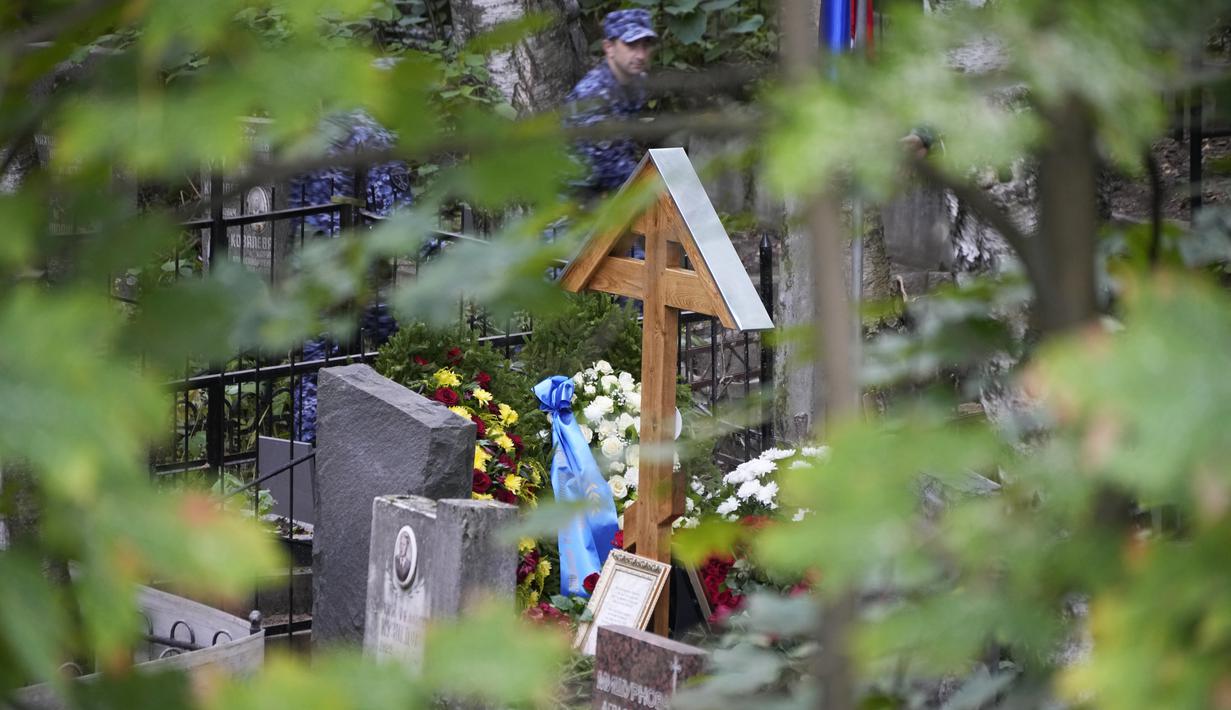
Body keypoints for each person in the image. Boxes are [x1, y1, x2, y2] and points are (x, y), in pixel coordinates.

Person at [564, 9, 658, 199]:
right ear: (609, 48)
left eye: (645, 46)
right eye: (631, 45)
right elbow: (605, 164)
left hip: (608, 194)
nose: (640, 55)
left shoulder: (637, 82)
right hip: (571, 204)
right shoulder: (592, 94)